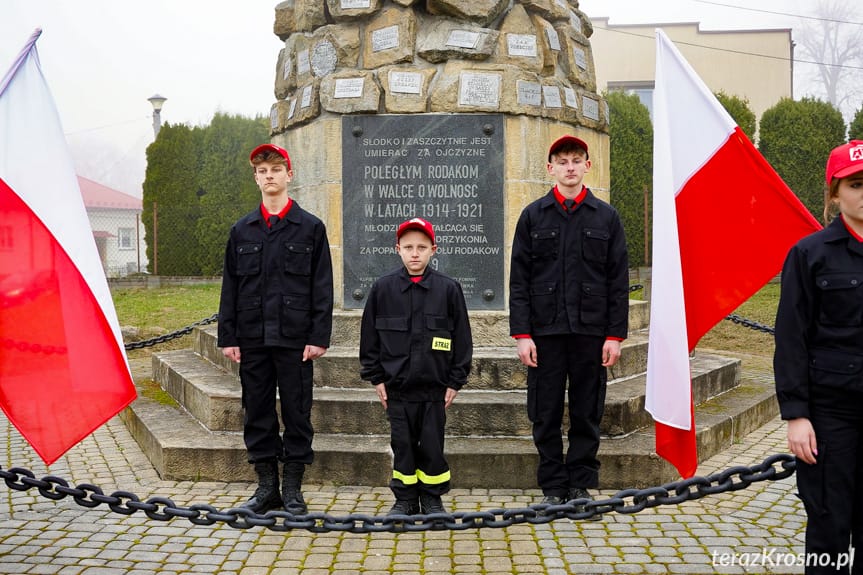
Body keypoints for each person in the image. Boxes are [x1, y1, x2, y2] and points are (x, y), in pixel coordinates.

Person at [509, 134, 629, 515]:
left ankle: (580, 484)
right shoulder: (533, 216)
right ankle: (553, 485)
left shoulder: (606, 217)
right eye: (562, 161)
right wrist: (522, 334)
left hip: (591, 333)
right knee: (544, 411)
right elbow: (519, 280)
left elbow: (618, 280)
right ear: (551, 169)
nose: (570, 167)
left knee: (586, 409)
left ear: (587, 166)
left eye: (577, 159)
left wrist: (614, 335)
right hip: (545, 333)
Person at [217, 143, 333, 515]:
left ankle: (294, 488)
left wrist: (318, 336)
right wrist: (229, 336)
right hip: (252, 338)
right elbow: (230, 287)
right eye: (262, 171)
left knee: (298, 411)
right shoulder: (242, 230)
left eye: (276, 169)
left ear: (289, 175)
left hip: (295, 340)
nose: (269, 176)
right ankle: (267, 487)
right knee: (257, 411)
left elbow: (322, 287)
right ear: (256, 178)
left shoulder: (311, 228)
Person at [774, 140, 863, 574]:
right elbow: (791, 339)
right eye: (857, 184)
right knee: (829, 529)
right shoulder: (809, 255)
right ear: (834, 193)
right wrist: (796, 414)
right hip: (832, 416)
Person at [359, 217, 473, 516]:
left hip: (435, 389)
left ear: (433, 250)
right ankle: (405, 499)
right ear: (397, 249)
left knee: (433, 445)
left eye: (422, 247)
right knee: (403, 444)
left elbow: (462, 340)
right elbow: (369, 338)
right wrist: (376, 379)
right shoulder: (383, 289)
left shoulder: (448, 290)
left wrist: (455, 381)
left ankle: (432, 498)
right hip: (397, 389)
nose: (414, 253)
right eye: (408, 247)